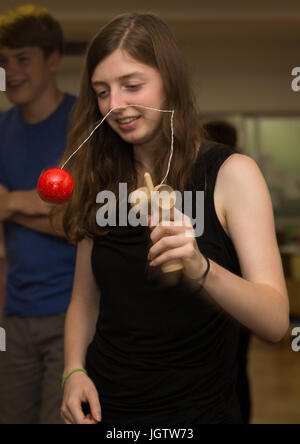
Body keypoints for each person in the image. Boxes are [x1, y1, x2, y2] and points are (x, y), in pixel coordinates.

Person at [59, 13, 289, 425]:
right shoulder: (100, 179)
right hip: (106, 408)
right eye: (102, 91)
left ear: (170, 82)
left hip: (198, 411)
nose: (116, 105)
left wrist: (200, 268)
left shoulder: (231, 173)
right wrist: (73, 371)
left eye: (132, 85)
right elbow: (84, 300)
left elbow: (274, 322)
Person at [0, 5, 77, 424]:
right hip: (14, 314)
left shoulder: (87, 126)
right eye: (2, 61)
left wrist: (7, 203)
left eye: (22, 58)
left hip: (77, 313)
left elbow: (82, 224)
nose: (10, 71)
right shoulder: (0, 129)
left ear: (52, 59)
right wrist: (28, 203)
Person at [202, 120, 251, 423]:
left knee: (229, 370)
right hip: (229, 297)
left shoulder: (236, 180)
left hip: (233, 297)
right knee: (236, 370)